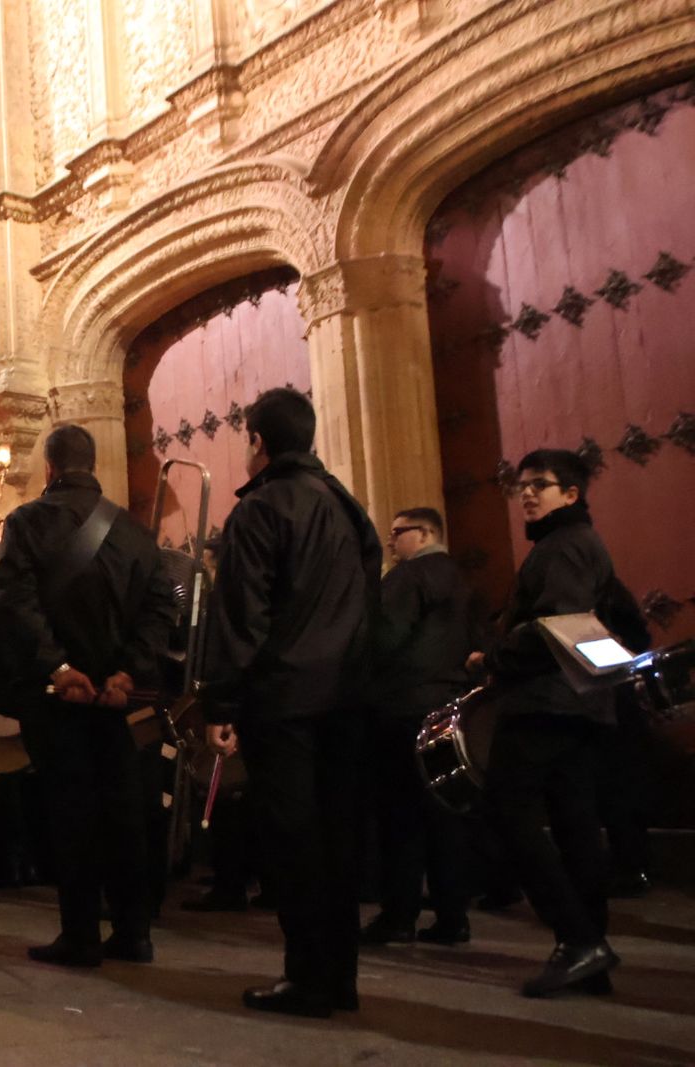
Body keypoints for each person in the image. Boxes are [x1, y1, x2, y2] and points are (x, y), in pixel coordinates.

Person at [200, 387, 380, 1018]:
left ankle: (307, 979)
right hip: (348, 697)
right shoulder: (348, 507)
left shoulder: (261, 509)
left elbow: (242, 617)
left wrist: (222, 704)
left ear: (258, 442)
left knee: (296, 842)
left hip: (286, 701)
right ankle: (341, 979)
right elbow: (369, 608)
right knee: (339, 840)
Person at [0, 426, 175, 968]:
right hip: (121, 701)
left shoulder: (25, 523)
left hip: (61, 697)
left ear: (49, 468)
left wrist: (60, 666)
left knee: (72, 813)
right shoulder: (135, 532)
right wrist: (128, 672)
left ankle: (79, 935)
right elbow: (162, 607)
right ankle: (134, 932)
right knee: (125, 810)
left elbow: (15, 603)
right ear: (91, 465)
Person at [468, 449, 626, 997]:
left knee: (505, 813)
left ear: (571, 494)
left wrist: (493, 659)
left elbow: (555, 624)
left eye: (541, 485)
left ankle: (579, 939)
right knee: (575, 825)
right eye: (522, 486)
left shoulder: (564, 548)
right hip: (578, 704)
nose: (527, 494)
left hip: (546, 704)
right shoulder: (579, 544)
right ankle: (589, 956)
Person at [362, 507, 478, 947]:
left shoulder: (407, 579)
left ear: (426, 532)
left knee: (401, 817)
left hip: (403, 709)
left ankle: (399, 915)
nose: (391, 542)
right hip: (451, 709)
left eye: (398, 533)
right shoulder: (462, 578)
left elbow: (383, 639)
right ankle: (453, 917)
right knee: (445, 816)